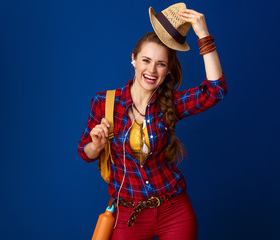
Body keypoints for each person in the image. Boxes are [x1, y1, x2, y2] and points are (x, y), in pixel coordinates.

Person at [78, 3, 228, 240]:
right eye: (146, 60)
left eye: (161, 64)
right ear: (134, 60)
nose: (152, 70)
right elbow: (84, 152)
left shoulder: (170, 103)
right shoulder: (105, 102)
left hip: (174, 211)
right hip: (129, 215)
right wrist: (95, 147)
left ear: (168, 70)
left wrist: (204, 36)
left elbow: (215, 91)